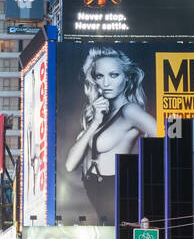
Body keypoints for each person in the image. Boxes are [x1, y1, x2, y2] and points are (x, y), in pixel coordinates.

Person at [64, 48, 157, 217]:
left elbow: (166, 137)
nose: (106, 83)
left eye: (114, 75)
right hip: (102, 209)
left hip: (120, 199)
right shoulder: (99, 117)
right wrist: (95, 123)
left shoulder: (129, 111)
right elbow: (70, 165)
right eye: (99, 76)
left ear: (127, 78)